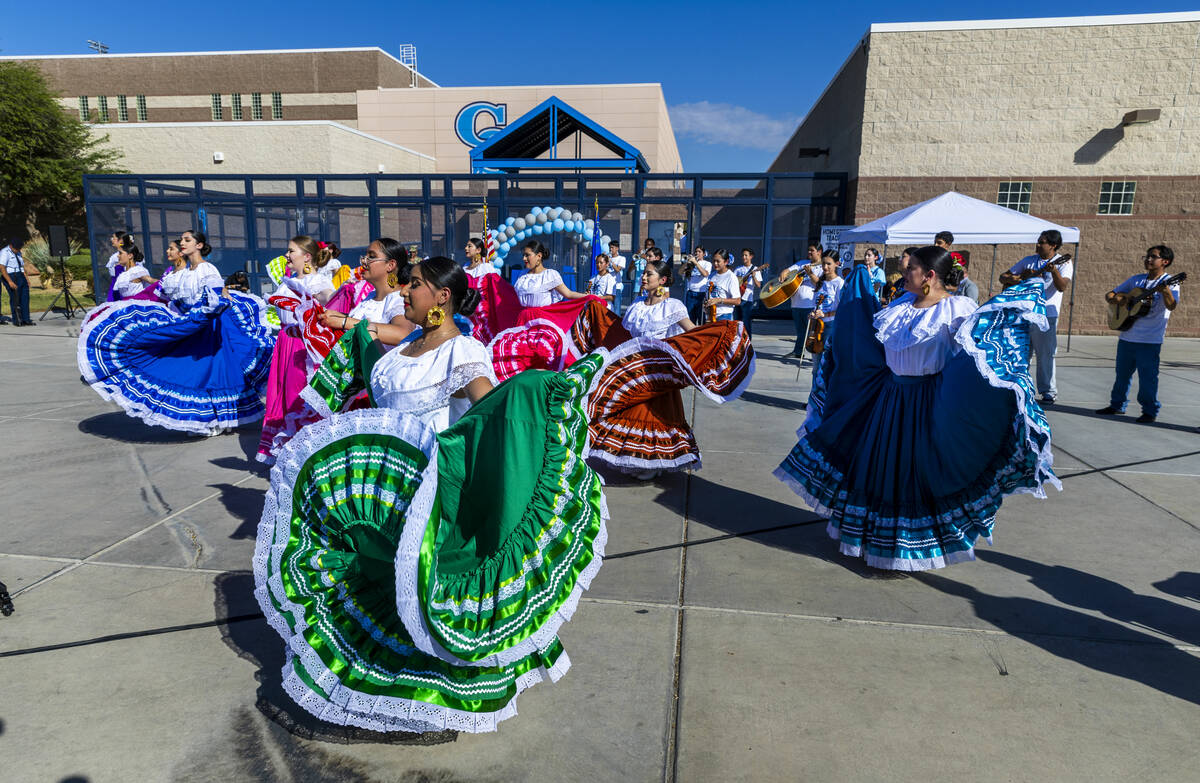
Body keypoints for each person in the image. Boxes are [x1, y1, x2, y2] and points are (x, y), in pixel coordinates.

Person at [254, 256, 608, 733]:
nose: (404, 292)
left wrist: (530, 393)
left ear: (443, 296)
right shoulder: (406, 347)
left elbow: (492, 408)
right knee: (379, 577)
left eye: (415, 285)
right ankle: (382, 682)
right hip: (386, 493)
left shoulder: (463, 353)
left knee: (422, 586)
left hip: (431, 494)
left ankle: (440, 690)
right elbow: (376, 367)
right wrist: (356, 333)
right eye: (405, 284)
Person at [775, 246, 1059, 571]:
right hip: (889, 403)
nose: (903, 273)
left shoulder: (958, 309)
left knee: (917, 474)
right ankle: (874, 543)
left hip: (930, 405)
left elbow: (975, 355)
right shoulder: (899, 306)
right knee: (881, 472)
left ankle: (907, 552)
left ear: (929, 276)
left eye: (910, 269)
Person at [78, 229, 274, 434]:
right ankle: (207, 418)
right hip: (190, 326)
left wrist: (202, 313)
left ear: (199, 245)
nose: (182, 243)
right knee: (192, 373)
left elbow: (219, 299)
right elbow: (162, 296)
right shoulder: (183, 273)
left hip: (209, 329)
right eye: (180, 240)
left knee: (210, 374)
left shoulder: (207, 269)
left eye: (187, 240)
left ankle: (217, 420)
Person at [580, 257, 753, 480]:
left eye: (649, 274)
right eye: (644, 274)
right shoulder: (635, 307)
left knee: (654, 418)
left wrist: (707, 340)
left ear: (661, 280)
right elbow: (624, 337)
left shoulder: (672, 306)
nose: (643, 277)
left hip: (658, 374)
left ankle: (653, 461)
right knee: (632, 416)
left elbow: (691, 332)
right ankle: (635, 457)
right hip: (634, 373)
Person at [1095, 245, 1181, 424]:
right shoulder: (1136, 280)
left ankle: (1149, 411)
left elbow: (1172, 306)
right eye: (1147, 256)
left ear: (1165, 262)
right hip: (1127, 336)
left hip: (1150, 340)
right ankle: (1117, 405)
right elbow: (1110, 294)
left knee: (1148, 378)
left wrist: (1165, 291)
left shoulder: (1171, 282)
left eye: (1153, 257)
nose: (1148, 259)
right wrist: (1120, 298)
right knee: (1122, 375)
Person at [1000, 230, 1072, 404]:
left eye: (1042, 242)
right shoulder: (1028, 260)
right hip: (1024, 313)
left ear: (1053, 246)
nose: (1038, 245)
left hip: (1046, 314)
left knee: (1045, 354)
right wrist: (1020, 279)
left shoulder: (1064, 262)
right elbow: (1003, 277)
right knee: (1021, 352)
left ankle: (1048, 392)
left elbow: (1062, 287)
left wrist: (1054, 271)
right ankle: (1019, 387)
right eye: (1038, 241)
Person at [513, 240, 587, 307]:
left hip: (540, 319)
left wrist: (591, 296)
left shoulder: (550, 275)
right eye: (523, 255)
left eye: (527, 255)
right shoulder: (523, 275)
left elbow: (569, 294)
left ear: (539, 256)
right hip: (523, 319)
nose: (524, 258)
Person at [784, 243, 823, 359]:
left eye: (812, 250)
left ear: (819, 252)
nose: (809, 253)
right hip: (796, 304)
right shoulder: (802, 263)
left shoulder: (822, 267)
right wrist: (783, 274)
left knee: (811, 332)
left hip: (810, 305)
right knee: (800, 332)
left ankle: (815, 354)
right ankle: (798, 352)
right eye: (808, 250)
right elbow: (788, 270)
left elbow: (819, 284)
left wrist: (810, 273)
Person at [110, 235, 157, 299]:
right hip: (123, 305)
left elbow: (151, 280)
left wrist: (165, 282)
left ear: (130, 255)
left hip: (137, 305)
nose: (118, 256)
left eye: (120, 253)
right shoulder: (123, 274)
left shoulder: (137, 271)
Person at [0, 237, 32, 326]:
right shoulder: (4, 252)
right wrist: (10, 282)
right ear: (11, 246)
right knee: (15, 299)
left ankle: (26, 319)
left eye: (19, 248)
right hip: (11, 276)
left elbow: (21, 266)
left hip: (20, 275)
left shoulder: (18, 252)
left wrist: (26, 279)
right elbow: (2, 268)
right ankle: (18, 320)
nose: (17, 250)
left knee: (25, 298)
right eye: (16, 248)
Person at [703, 249, 741, 322]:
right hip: (709, 315)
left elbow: (737, 301)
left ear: (726, 262)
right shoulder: (712, 275)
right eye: (714, 261)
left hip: (724, 315)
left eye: (718, 261)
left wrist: (719, 300)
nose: (715, 263)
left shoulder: (731, 277)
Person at [734, 248, 763, 337]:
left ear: (751, 256)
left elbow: (758, 285)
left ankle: (748, 343)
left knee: (746, 323)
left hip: (747, 300)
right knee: (736, 323)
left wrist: (754, 277)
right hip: (737, 298)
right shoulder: (738, 269)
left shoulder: (755, 269)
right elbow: (734, 282)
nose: (744, 257)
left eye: (746, 255)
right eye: (743, 255)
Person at [682, 246, 712, 323]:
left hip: (701, 293)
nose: (697, 253)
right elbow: (680, 272)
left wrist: (696, 263)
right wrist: (687, 263)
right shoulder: (691, 264)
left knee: (701, 318)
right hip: (691, 293)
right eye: (696, 251)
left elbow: (705, 274)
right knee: (690, 318)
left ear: (704, 254)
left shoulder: (707, 263)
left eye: (699, 252)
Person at [105, 231, 128, 303]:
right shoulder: (115, 256)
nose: (111, 240)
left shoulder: (129, 255)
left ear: (120, 240)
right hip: (114, 287)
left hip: (124, 289)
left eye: (113, 238)